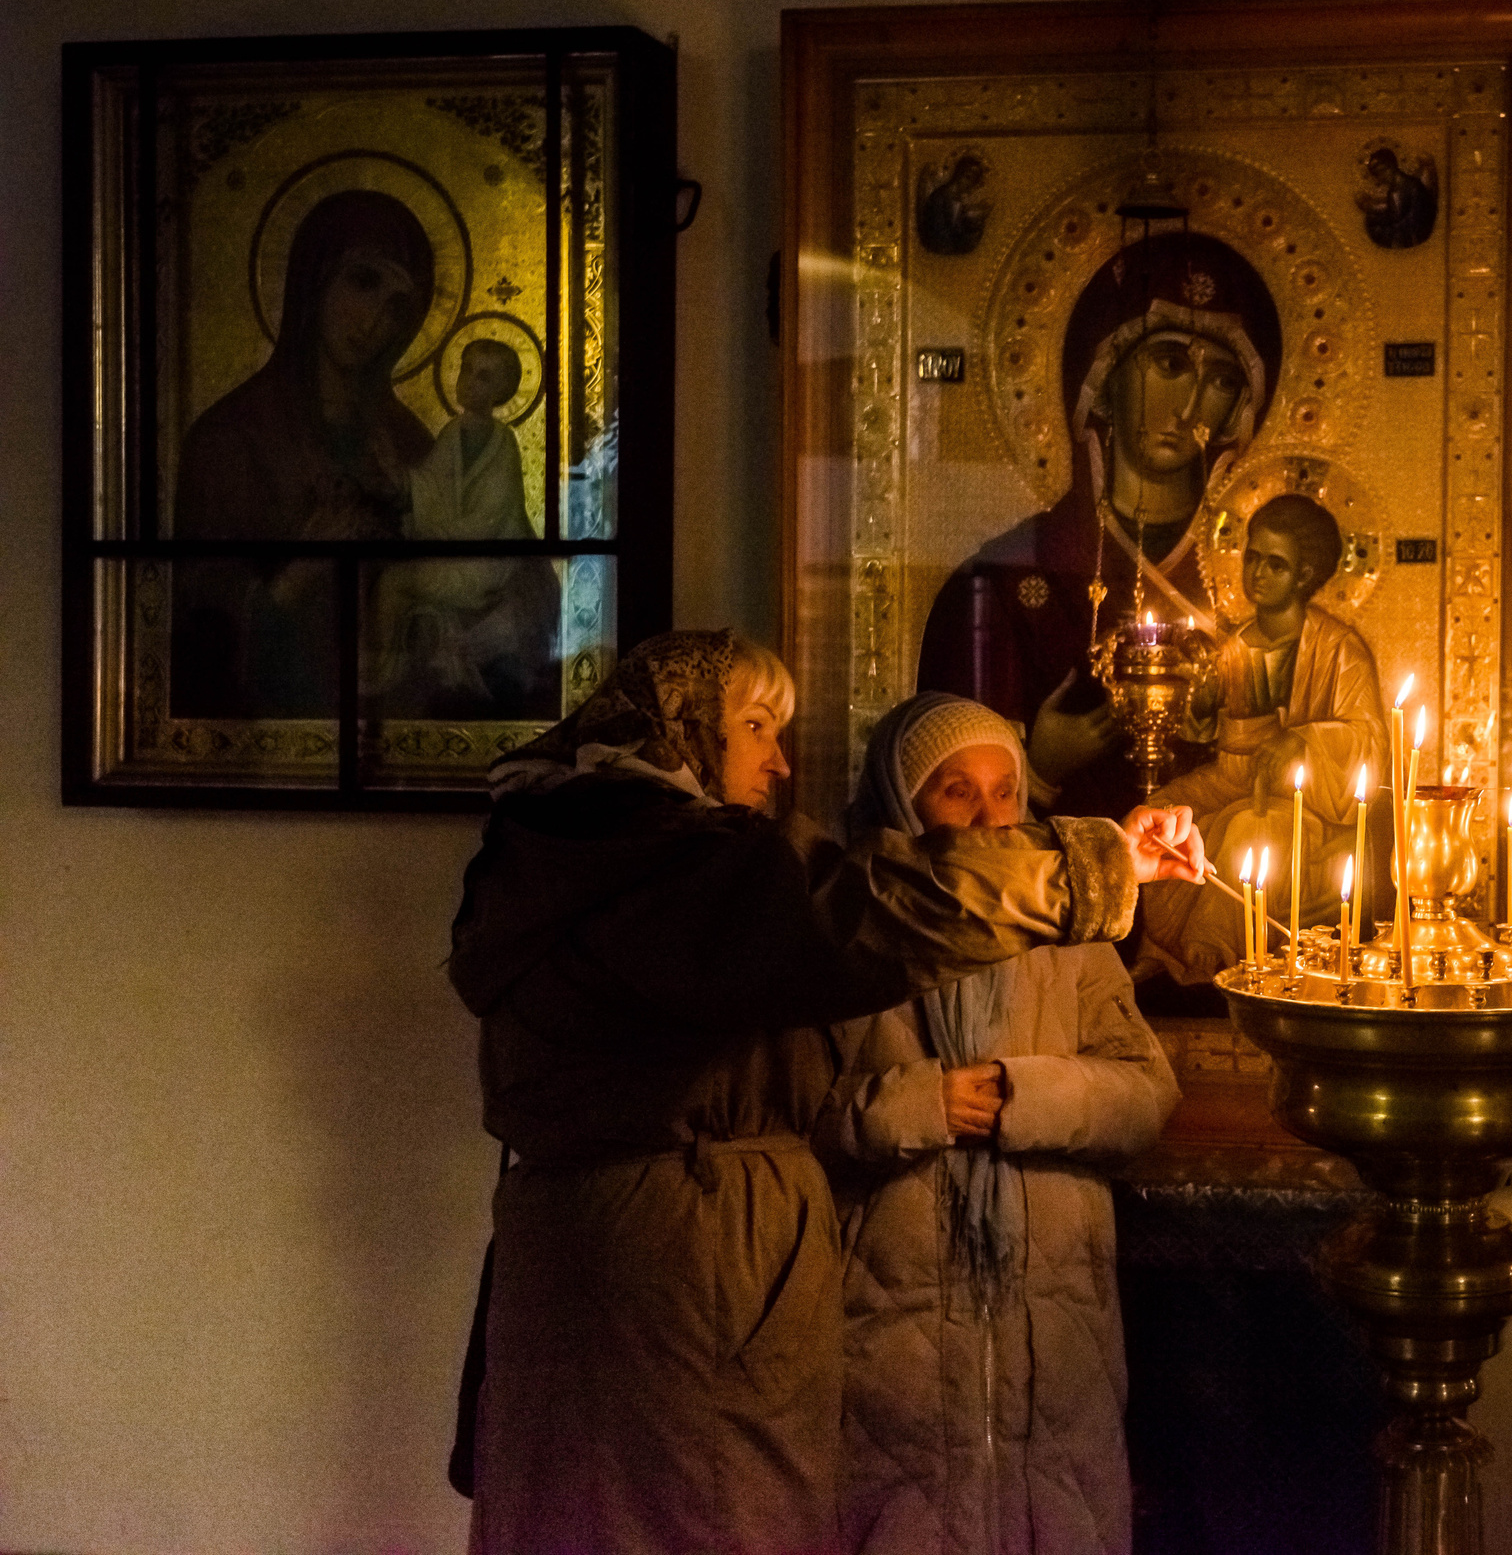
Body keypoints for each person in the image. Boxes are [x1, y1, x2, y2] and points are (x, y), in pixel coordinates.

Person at [447, 630, 1202, 1555]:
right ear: (681, 731)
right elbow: (858, 911)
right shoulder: (666, 863)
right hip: (687, 1271)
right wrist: (1096, 865)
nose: (779, 757)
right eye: (756, 724)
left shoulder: (607, 856)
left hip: (665, 1258)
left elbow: (1133, 1083)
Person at [823, 695, 1179, 1555]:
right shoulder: (851, 935)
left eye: (1006, 793)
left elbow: (1146, 1092)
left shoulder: (1069, 939)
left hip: (1053, 1332)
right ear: (906, 805)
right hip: (886, 1329)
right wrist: (918, 1105)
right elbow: (793, 1112)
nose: (990, 818)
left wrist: (1027, 1095)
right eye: (957, 792)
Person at [916, 230, 1283, 822]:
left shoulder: (1257, 584)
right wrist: (1037, 769)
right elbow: (943, 822)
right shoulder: (999, 587)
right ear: (1102, 382)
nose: (1191, 407)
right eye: (1168, 365)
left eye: (1220, 380)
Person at [174, 187, 439, 717]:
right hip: (269, 738)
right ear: (313, 278)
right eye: (363, 282)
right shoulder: (230, 438)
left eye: (397, 306)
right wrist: (297, 577)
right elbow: (191, 626)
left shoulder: (412, 446)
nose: (373, 323)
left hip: (392, 731)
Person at [1139, 493, 1384, 984]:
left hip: (1308, 802)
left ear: (1306, 575)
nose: (1258, 574)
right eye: (1252, 558)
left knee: (1248, 829)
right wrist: (1202, 709)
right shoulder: (1234, 644)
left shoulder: (1341, 651)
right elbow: (1210, 733)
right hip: (1234, 779)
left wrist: (1303, 743)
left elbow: (1370, 741)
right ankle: (1162, 951)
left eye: (1276, 564)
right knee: (1157, 818)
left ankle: (1212, 955)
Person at [372, 337, 561, 718]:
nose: (469, 381)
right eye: (466, 369)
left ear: (501, 391)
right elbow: (431, 487)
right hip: (456, 552)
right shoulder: (452, 434)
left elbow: (488, 519)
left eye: (484, 377)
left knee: (395, 582)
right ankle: (383, 669)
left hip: (487, 562)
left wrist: (434, 531)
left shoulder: (503, 444)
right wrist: (402, 482)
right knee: (390, 577)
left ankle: (379, 674)